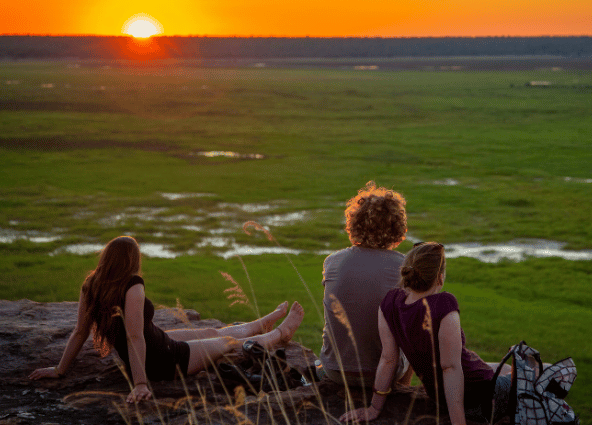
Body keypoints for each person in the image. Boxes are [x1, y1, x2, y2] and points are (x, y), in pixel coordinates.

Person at [29, 236, 304, 404]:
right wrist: (140, 384)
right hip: (164, 359)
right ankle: (281, 334)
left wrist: (60, 369)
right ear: (131, 261)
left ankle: (263, 322)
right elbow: (133, 337)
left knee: (209, 330)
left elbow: (80, 332)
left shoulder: (92, 283)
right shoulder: (132, 285)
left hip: (159, 341)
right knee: (227, 343)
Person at [340, 242, 512, 425]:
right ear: (440, 278)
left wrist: (374, 408)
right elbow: (450, 368)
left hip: (441, 396)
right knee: (537, 371)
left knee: (506, 368)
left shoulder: (389, 302)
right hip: (479, 396)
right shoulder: (443, 304)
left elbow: (388, 358)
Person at [321, 181, 411, 388]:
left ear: (353, 224)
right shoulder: (405, 266)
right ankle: (404, 390)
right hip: (386, 374)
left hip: (335, 370)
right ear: (398, 228)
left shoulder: (332, 261)